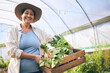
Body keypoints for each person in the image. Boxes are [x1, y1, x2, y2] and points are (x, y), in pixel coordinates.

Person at [5, 3, 53, 73]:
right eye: (26, 13)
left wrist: (66, 45)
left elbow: (51, 39)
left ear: (33, 18)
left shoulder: (38, 31)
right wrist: (34, 56)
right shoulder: (13, 30)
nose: (29, 15)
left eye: (31, 14)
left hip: (38, 70)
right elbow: (12, 51)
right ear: (21, 15)